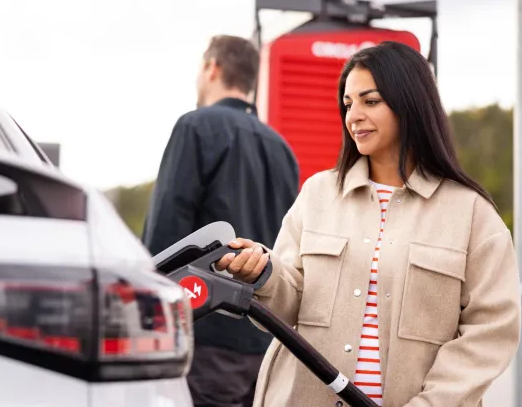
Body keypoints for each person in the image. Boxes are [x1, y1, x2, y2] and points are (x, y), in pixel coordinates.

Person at [216, 41, 522, 407]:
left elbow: (491, 332)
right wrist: (262, 273)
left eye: (370, 101)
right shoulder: (317, 194)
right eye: (348, 104)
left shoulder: (472, 215)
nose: (354, 115)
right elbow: (286, 303)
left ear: (410, 102)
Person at [142, 35, 300, 407]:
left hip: (206, 334)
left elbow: (167, 229)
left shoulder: (195, 126)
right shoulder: (283, 149)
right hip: (266, 340)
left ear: (212, 68)